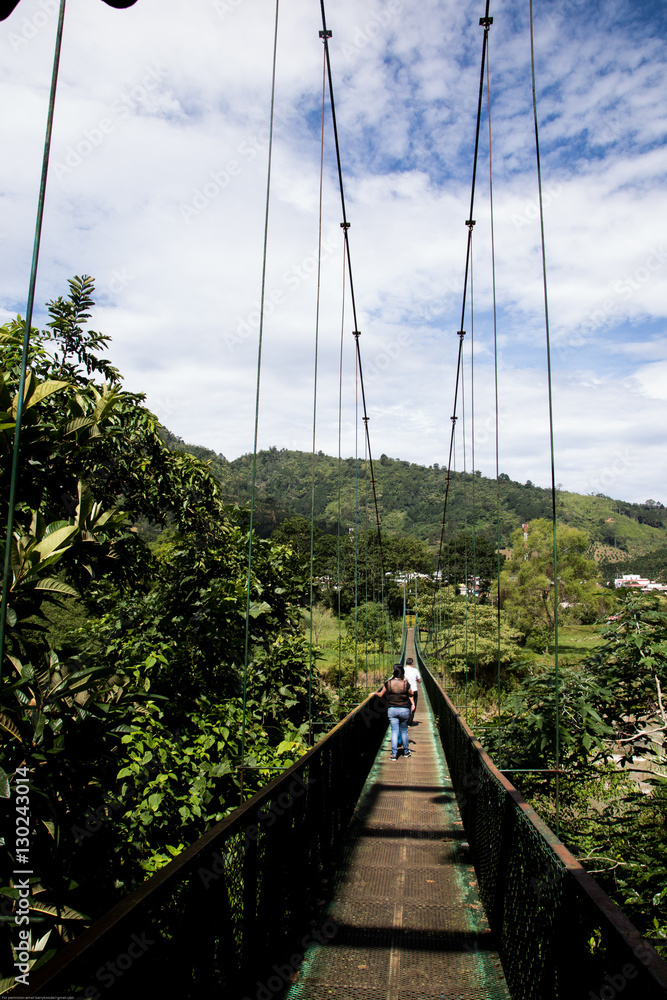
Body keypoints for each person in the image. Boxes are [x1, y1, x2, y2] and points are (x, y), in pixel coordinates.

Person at [377, 663, 414, 760]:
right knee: (404, 731)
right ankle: (406, 751)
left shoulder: (388, 683)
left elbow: (380, 694)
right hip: (404, 709)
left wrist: (374, 693)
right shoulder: (405, 684)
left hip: (392, 709)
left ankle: (394, 754)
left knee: (394, 731)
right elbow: (411, 694)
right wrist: (405, 682)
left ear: (394, 672)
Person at [403, 657, 421, 726]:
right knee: (413, 706)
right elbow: (419, 680)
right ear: (412, 664)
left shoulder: (402, 670)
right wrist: (415, 679)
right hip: (414, 690)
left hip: (405, 691)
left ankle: (404, 721)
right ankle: (409, 722)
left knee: (405, 705)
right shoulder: (415, 670)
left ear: (405, 663)